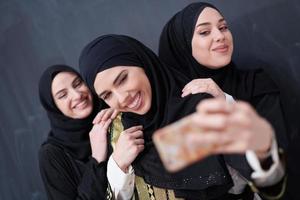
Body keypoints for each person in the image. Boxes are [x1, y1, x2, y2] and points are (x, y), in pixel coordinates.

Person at [79, 34, 285, 199]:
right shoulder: (118, 135)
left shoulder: (197, 109)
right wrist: (118, 167)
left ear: (143, 63)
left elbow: (264, 179)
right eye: (107, 95)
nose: (122, 98)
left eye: (123, 79)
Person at [158, 2, 289, 153]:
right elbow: (173, 161)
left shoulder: (256, 84)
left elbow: (278, 157)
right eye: (205, 32)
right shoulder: (170, 106)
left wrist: (225, 102)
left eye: (223, 28)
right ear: (183, 46)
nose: (220, 36)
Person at [38, 65, 143, 199]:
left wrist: (121, 109)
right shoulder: (52, 155)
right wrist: (98, 158)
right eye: (63, 95)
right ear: (53, 107)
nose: (77, 95)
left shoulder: (118, 110)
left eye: (78, 83)